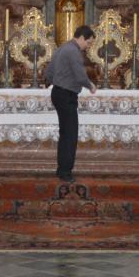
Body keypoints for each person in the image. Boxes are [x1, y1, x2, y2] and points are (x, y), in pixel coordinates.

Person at [47, 24, 96, 182]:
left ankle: (61, 169)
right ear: (81, 37)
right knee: (70, 134)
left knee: (65, 133)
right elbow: (80, 75)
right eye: (88, 42)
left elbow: (49, 71)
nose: (88, 46)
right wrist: (90, 85)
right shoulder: (74, 51)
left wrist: (55, 82)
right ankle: (65, 172)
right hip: (66, 95)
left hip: (58, 92)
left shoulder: (62, 48)